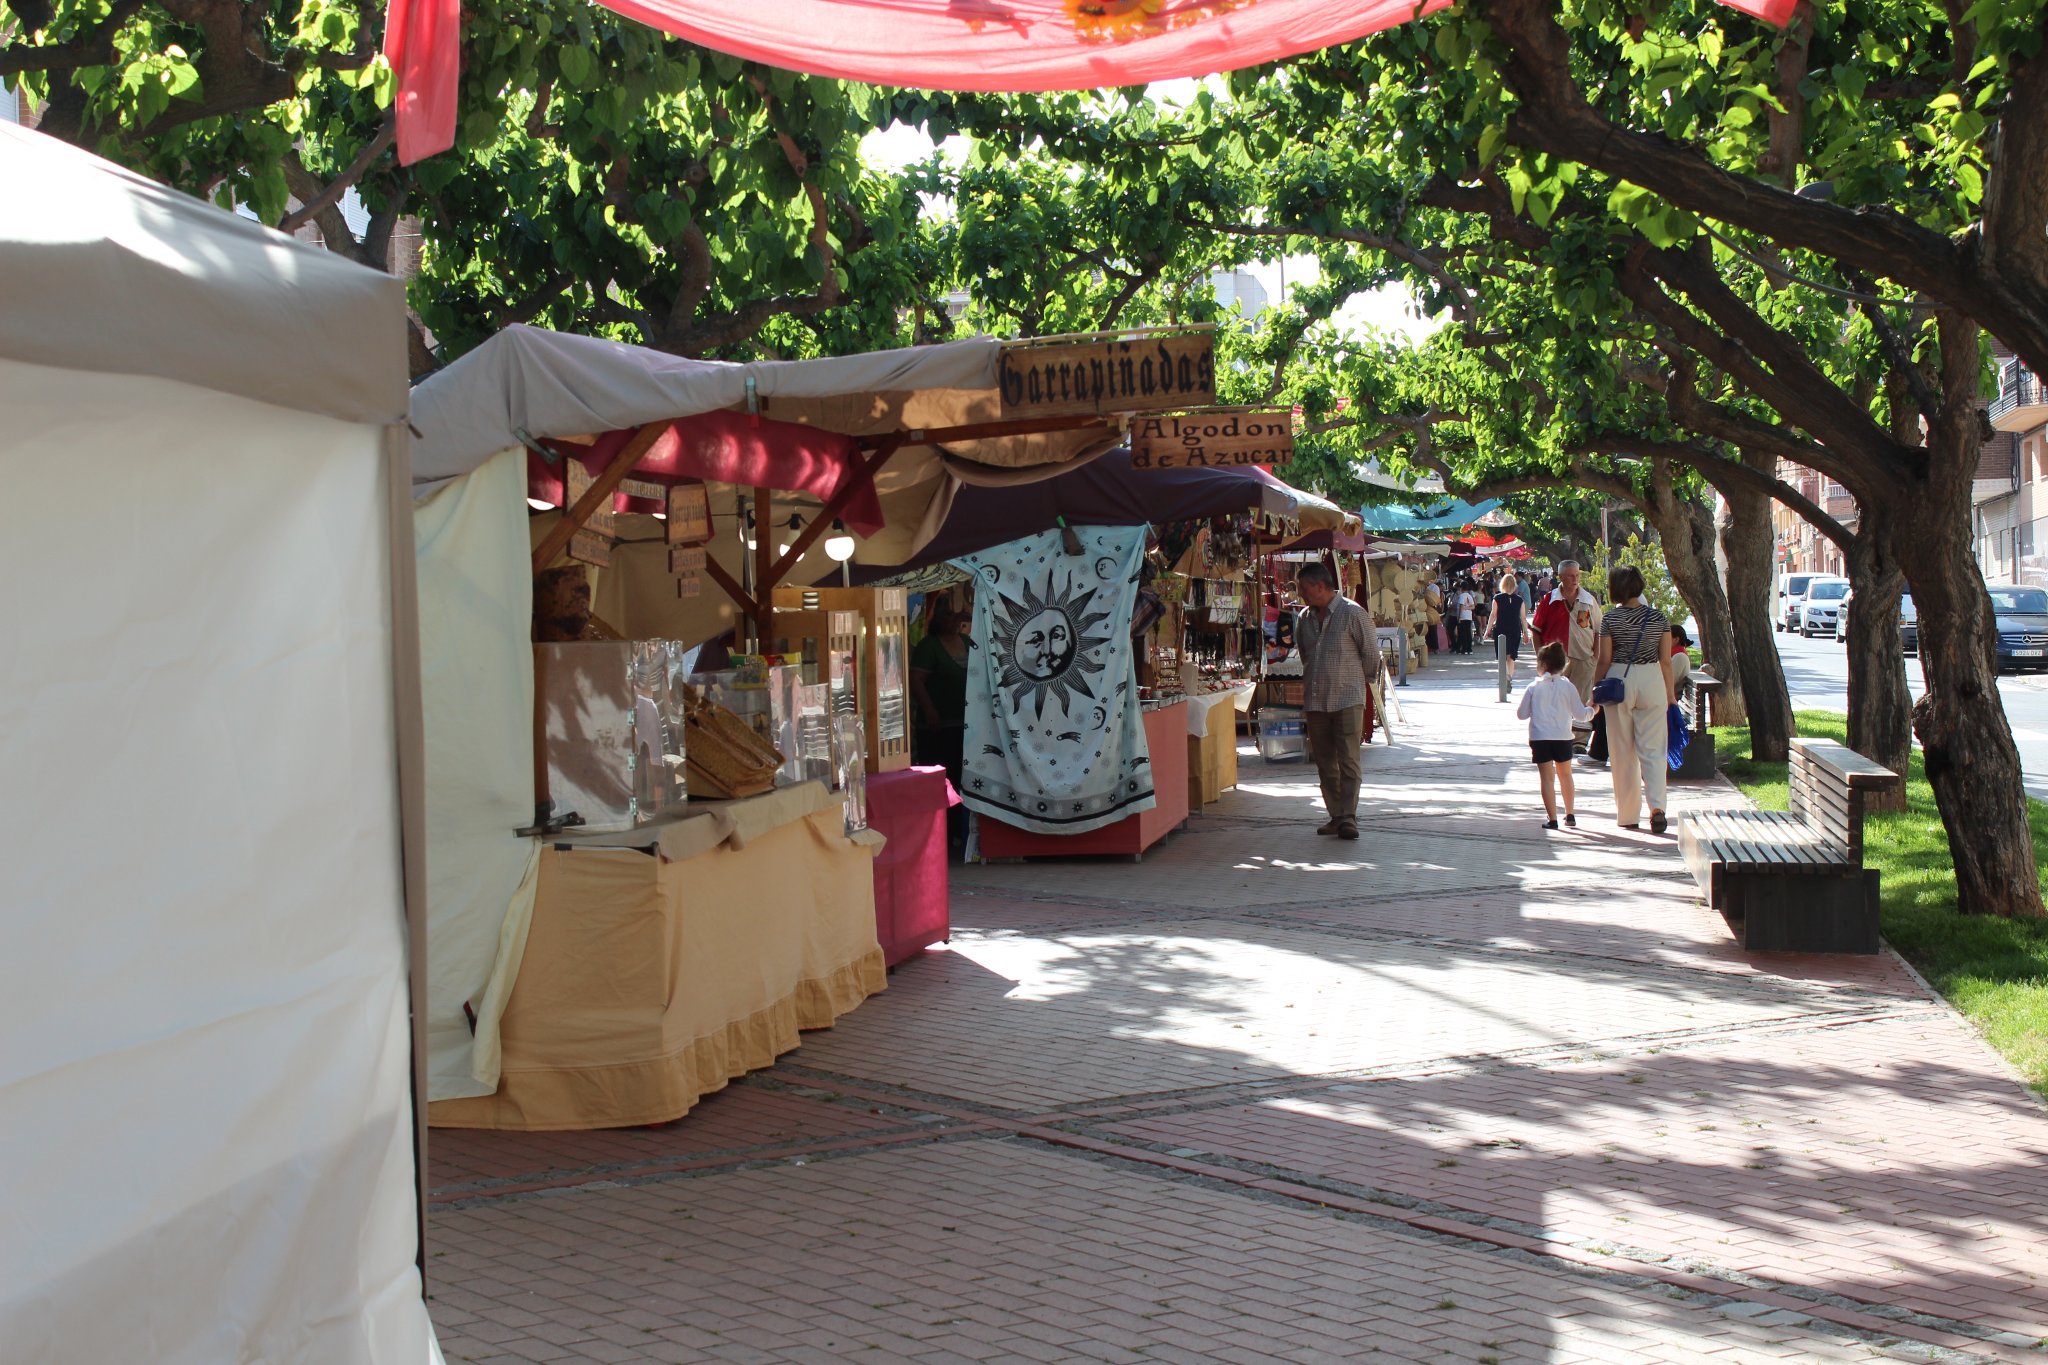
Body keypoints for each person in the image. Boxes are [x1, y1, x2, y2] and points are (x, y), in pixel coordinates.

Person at [1296, 563, 1382, 840]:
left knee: (1348, 760)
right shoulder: (1304, 618)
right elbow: (1305, 654)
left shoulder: (1352, 613)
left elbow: (1371, 654)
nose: (1301, 594)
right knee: (1324, 762)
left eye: (1304, 588)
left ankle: (1348, 817)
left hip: (1347, 697)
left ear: (1320, 586)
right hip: (1316, 700)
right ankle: (1335, 814)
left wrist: (1360, 682)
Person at [1596, 566, 1676, 832]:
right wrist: (1671, 697)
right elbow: (1666, 661)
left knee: (1622, 750)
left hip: (1620, 680)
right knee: (1653, 749)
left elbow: (1604, 659)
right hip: (1652, 679)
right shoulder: (1659, 618)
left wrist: (1594, 690)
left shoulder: (1610, 619)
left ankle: (1628, 815)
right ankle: (1658, 808)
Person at [910, 604, 971, 844]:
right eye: (949, 615)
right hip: (937, 726)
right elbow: (917, 680)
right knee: (941, 779)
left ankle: (958, 830)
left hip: (964, 724)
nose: (955, 619)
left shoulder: (966, 642)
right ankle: (940, 832)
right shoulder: (929, 646)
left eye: (956, 615)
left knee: (960, 776)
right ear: (937, 620)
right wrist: (930, 710)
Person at [1518, 641, 1593, 829]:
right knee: (1565, 775)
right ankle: (1570, 814)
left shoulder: (1533, 687)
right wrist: (1593, 710)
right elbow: (1581, 715)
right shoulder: (1568, 687)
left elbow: (1521, 714)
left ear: (1542, 665)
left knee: (1547, 778)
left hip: (1540, 737)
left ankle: (1552, 819)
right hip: (1562, 736)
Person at [1530, 559, 1603, 704]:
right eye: (1570, 576)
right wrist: (1541, 657)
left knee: (1580, 703)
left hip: (1583, 660)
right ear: (1561, 577)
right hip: (1555, 661)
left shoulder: (1588, 600)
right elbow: (1536, 631)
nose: (1575, 579)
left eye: (1577, 575)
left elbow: (1599, 631)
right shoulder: (1549, 600)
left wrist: (1595, 657)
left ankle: (1577, 728)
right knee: (1555, 703)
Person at [1483, 570, 1527, 693]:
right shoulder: (1519, 600)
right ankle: (1509, 678)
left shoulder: (1497, 598)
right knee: (1511, 657)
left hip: (1501, 629)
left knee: (1502, 657)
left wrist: (1487, 630)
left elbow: (1493, 615)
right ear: (1514, 585)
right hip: (1515, 629)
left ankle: (1503, 678)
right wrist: (1526, 634)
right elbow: (1523, 618)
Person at [1452, 582, 1476, 654]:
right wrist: (1468, 608)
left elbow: (1461, 608)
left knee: (1463, 634)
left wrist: (1459, 618)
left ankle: (1464, 649)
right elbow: (1473, 606)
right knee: (1468, 633)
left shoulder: (1462, 596)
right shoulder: (1469, 596)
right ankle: (1469, 649)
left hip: (1462, 617)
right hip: (1469, 616)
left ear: (1461, 588)